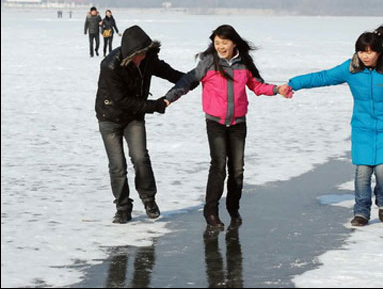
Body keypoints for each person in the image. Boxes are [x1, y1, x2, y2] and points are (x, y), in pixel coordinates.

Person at [283, 25, 383, 226]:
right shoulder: (351, 68)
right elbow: (323, 77)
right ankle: (361, 212)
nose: (365, 57)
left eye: (370, 52)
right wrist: (293, 83)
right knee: (363, 172)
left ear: (379, 52)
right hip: (363, 127)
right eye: (362, 52)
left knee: (382, 169)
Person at [164, 24, 292, 230]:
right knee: (218, 167)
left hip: (238, 124)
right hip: (215, 122)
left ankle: (233, 207)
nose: (220, 46)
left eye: (224, 43)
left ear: (234, 43)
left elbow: (258, 86)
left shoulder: (244, 64)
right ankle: (211, 211)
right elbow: (188, 81)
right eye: (217, 43)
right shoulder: (208, 63)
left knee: (237, 170)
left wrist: (278, 89)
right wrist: (168, 99)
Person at [95, 25, 190, 224]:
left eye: (145, 54)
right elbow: (121, 101)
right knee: (117, 166)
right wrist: (155, 105)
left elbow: (171, 73)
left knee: (140, 158)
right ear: (130, 55)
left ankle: (149, 200)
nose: (143, 58)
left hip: (134, 117)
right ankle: (123, 208)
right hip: (109, 117)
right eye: (139, 55)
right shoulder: (110, 66)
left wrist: (195, 79)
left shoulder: (148, 60)